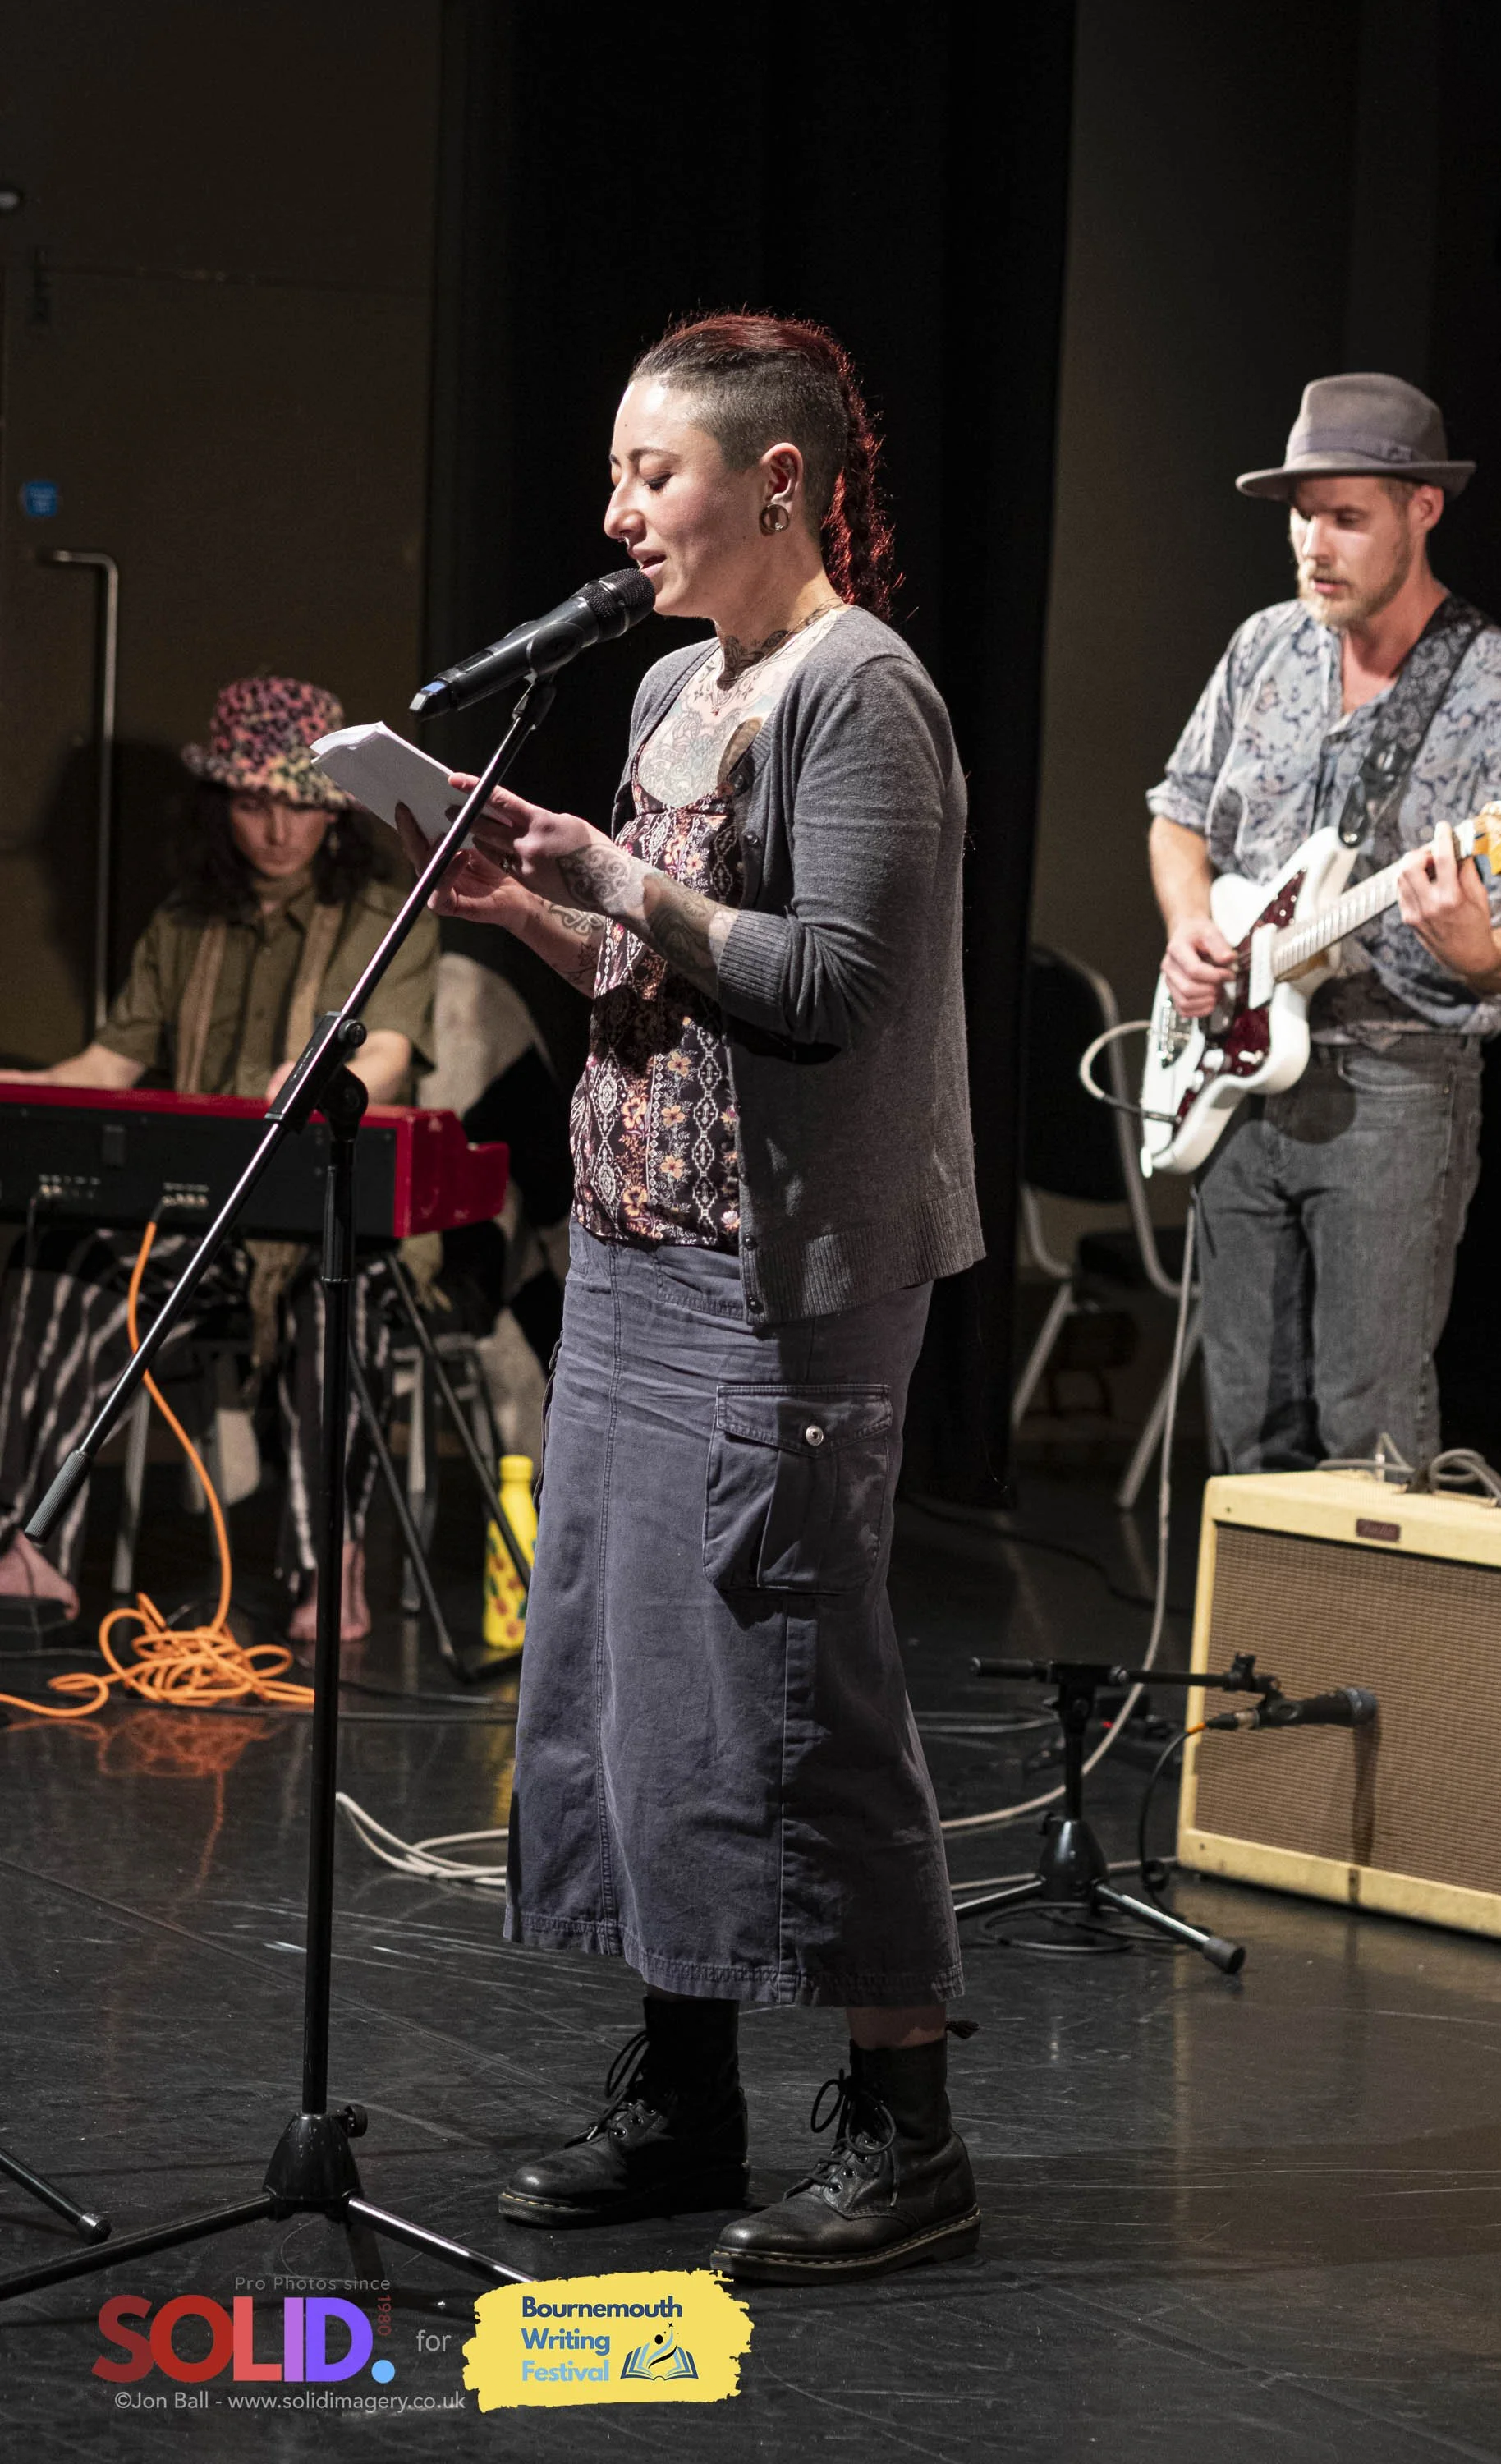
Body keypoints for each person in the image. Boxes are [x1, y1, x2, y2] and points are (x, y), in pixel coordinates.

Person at [401, 313, 984, 2285]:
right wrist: (536, 913)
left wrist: (621, 882)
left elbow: (827, 985)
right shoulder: (670, 688)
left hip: (783, 1287)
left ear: (777, 482)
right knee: (631, 1688)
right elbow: (655, 986)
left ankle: (904, 2126)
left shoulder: (861, 692)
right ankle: (681, 2085)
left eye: (653, 474)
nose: (618, 509)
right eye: (621, 474)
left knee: (792, 1684)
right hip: (642, 1256)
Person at [1146, 374, 1501, 1473]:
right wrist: (1193, 926)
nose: (1315, 544)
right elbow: (1179, 817)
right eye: (1303, 515)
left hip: (1397, 1088)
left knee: (1369, 1433)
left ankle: (1362, 1655)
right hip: (1238, 1076)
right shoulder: (1264, 650)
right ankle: (1251, 1650)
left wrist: (1475, 949)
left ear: (1422, 510)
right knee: (1249, 1426)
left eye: (1347, 516)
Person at [0, 677, 438, 1639]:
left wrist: (320, 1069)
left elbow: (394, 1054)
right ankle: (30, 1544)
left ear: (333, 808)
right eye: (253, 803)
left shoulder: (382, 912)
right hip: (202, 1226)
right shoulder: (182, 926)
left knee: (346, 1293)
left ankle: (335, 1564)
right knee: (64, 1260)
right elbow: (106, 1065)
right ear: (221, 806)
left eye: (299, 804)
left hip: (321, 1220)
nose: (278, 830)